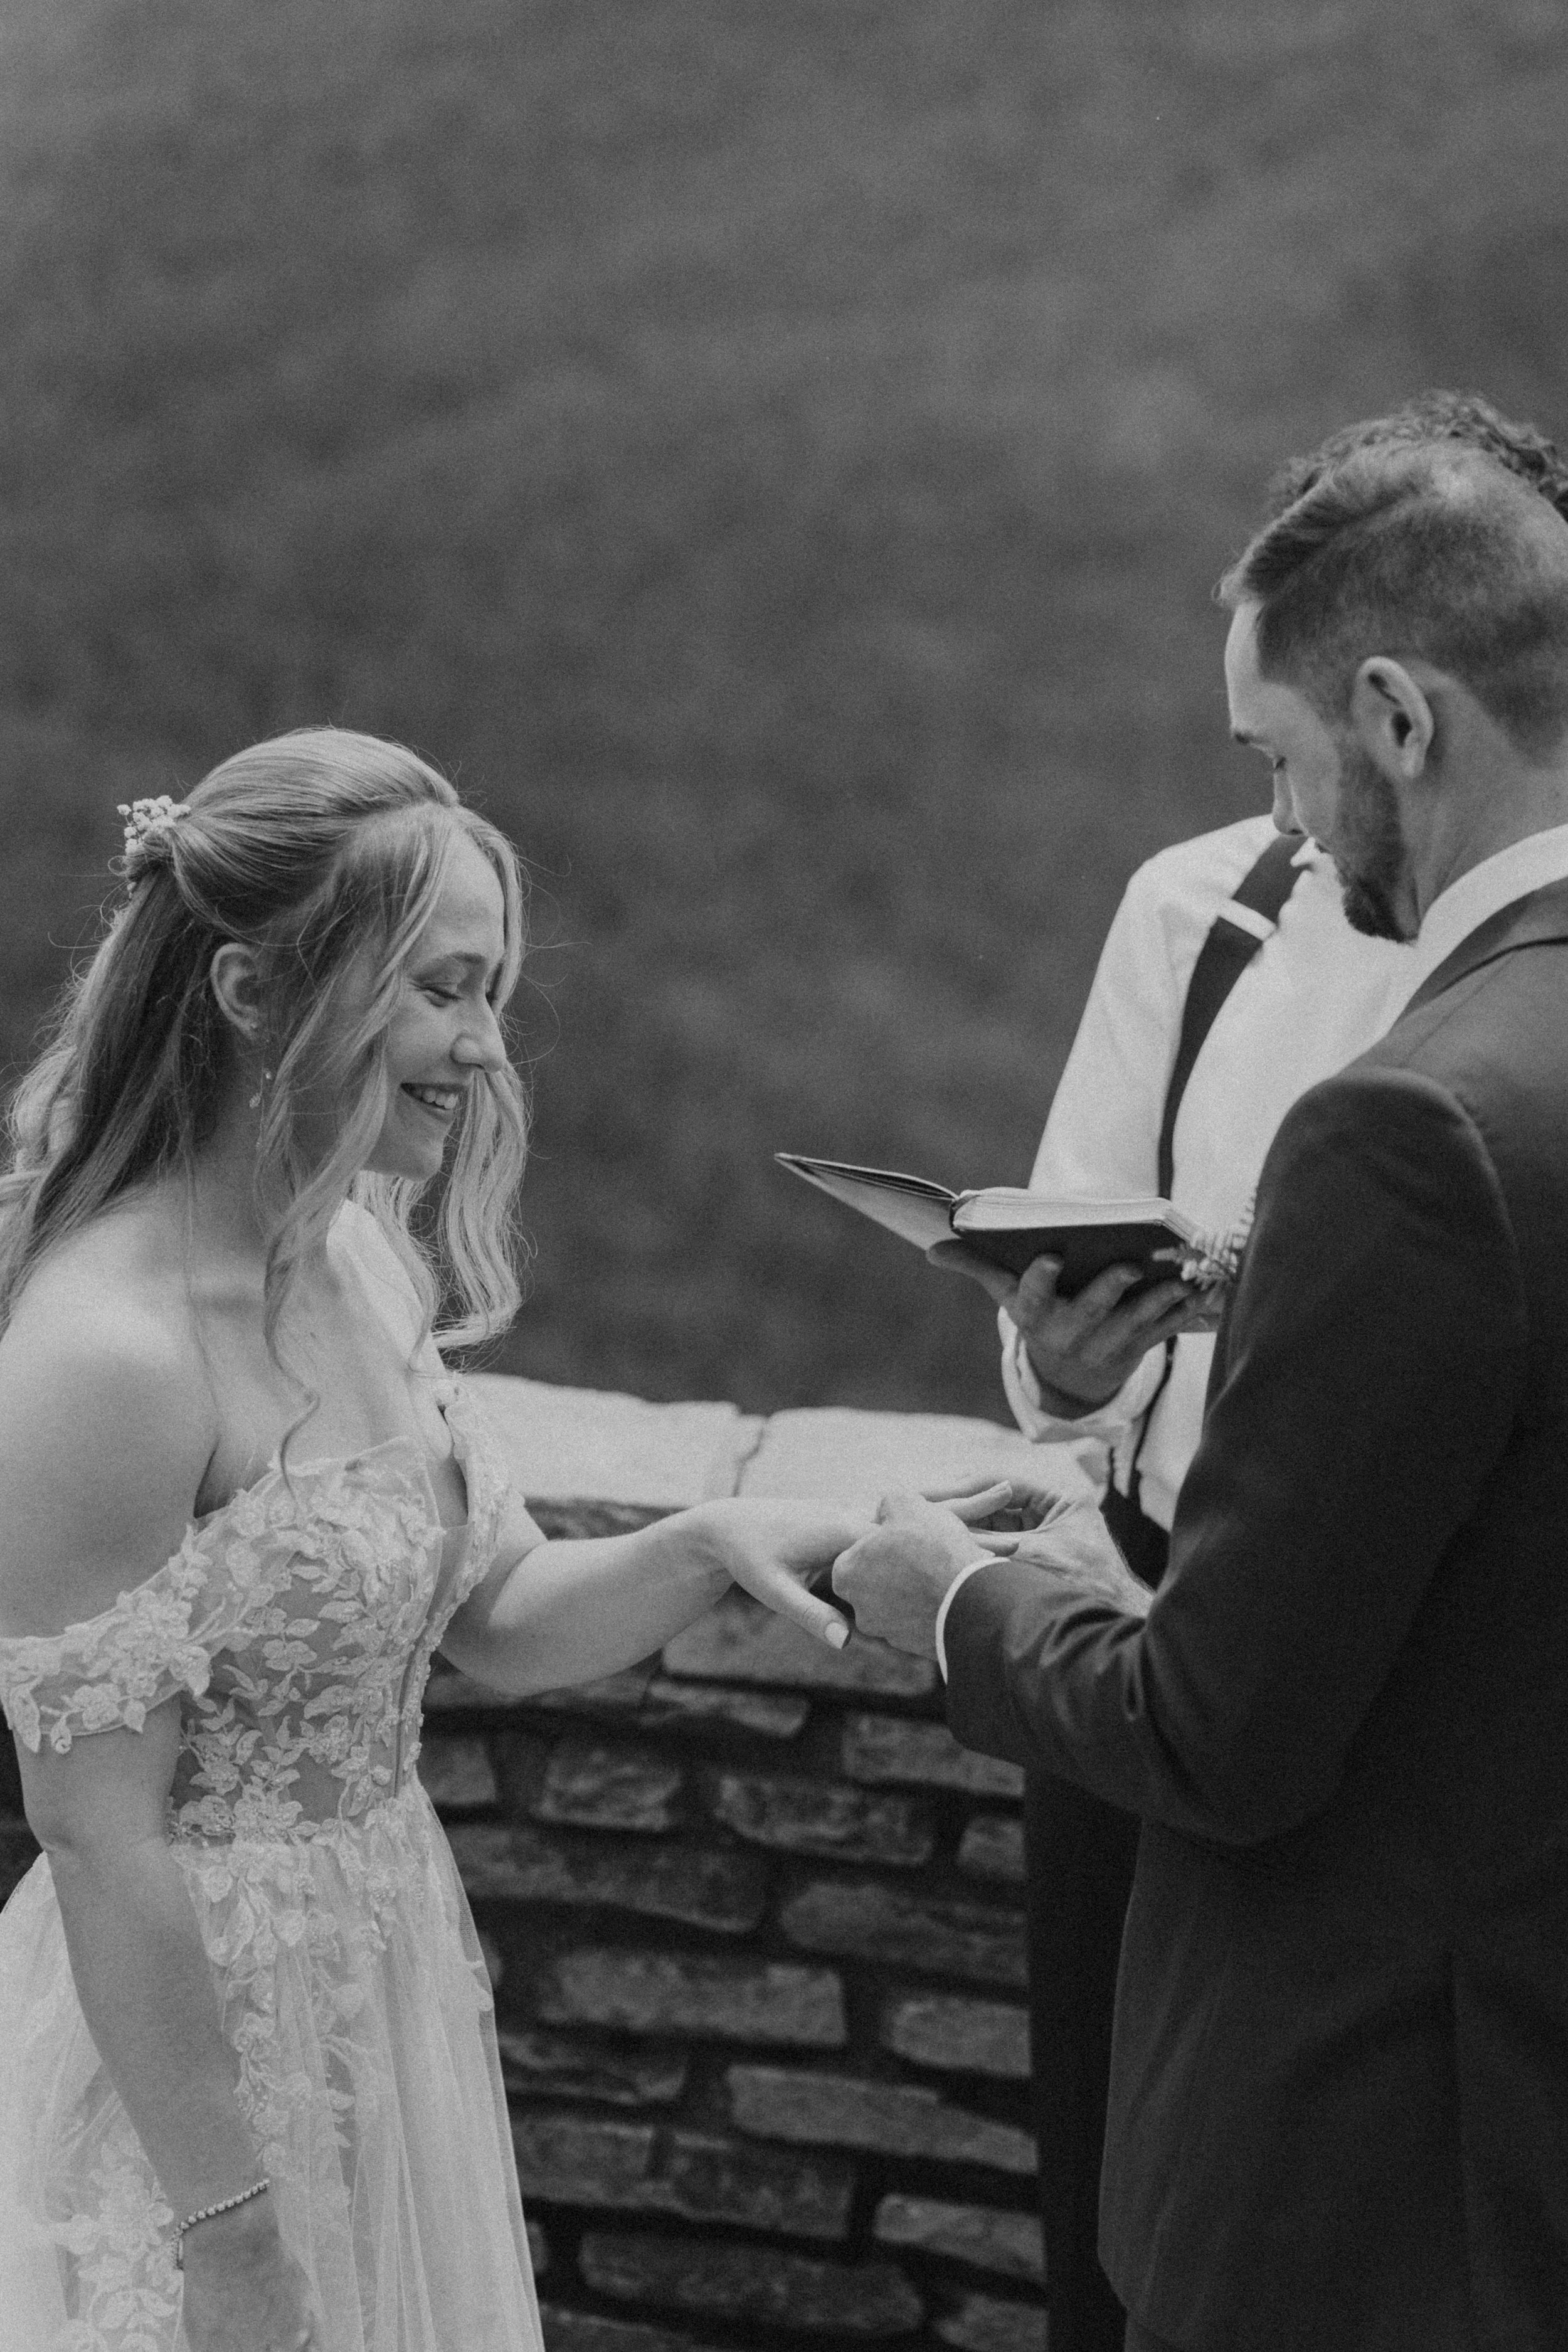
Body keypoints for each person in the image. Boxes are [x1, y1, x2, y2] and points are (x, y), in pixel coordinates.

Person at [0, 732, 923, 2352]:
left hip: (385, 1990)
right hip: (186, 2088)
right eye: (440, 990)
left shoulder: (359, 1259)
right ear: (249, 990)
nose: (488, 1048)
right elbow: (98, 1838)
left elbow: (490, 1611)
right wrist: (232, 2240)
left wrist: (709, 1537)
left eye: (491, 989)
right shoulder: (108, 1357)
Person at [835, 437, 1568, 2349]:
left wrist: (956, 1602)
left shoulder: (1409, 1124)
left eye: (1280, 757)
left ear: (1396, 716)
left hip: (1379, 2155)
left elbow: (1220, 1730)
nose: (1290, 824)